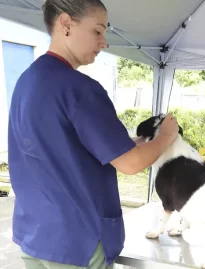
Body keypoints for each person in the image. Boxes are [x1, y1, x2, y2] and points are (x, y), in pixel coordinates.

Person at [7, 0, 179, 268]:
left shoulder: (27, 81)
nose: (104, 42)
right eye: (97, 31)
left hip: (36, 235)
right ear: (65, 24)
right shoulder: (79, 88)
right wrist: (167, 135)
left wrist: (131, 144)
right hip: (77, 241)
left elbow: (58, 148)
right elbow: (131, 163)